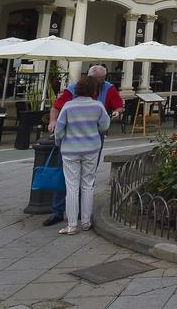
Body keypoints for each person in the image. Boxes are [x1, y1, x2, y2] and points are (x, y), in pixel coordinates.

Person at [42, 65, 124, 227]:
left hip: (79, 141)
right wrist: (53, 121)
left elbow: (118, 106)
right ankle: (60, 211)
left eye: (103, 79)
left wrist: (117, 111)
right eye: (98, 80)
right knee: (68, 176)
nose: (101, 82)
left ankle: (77, 215)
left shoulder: (108, 89)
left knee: (82, 179)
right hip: (85, 140)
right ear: (90, 79)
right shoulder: (72, 91)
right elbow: (56, 109)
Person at [53, 75, 110, 235]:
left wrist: (59, 142)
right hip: (91, 148)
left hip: (70, 149)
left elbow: (59, 129)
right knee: (88, 184)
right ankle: (86, 221)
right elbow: (104, 125)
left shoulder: (68, 106)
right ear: (94, 91)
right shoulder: (98, 106)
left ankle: (72, 224)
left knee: (71, 186)